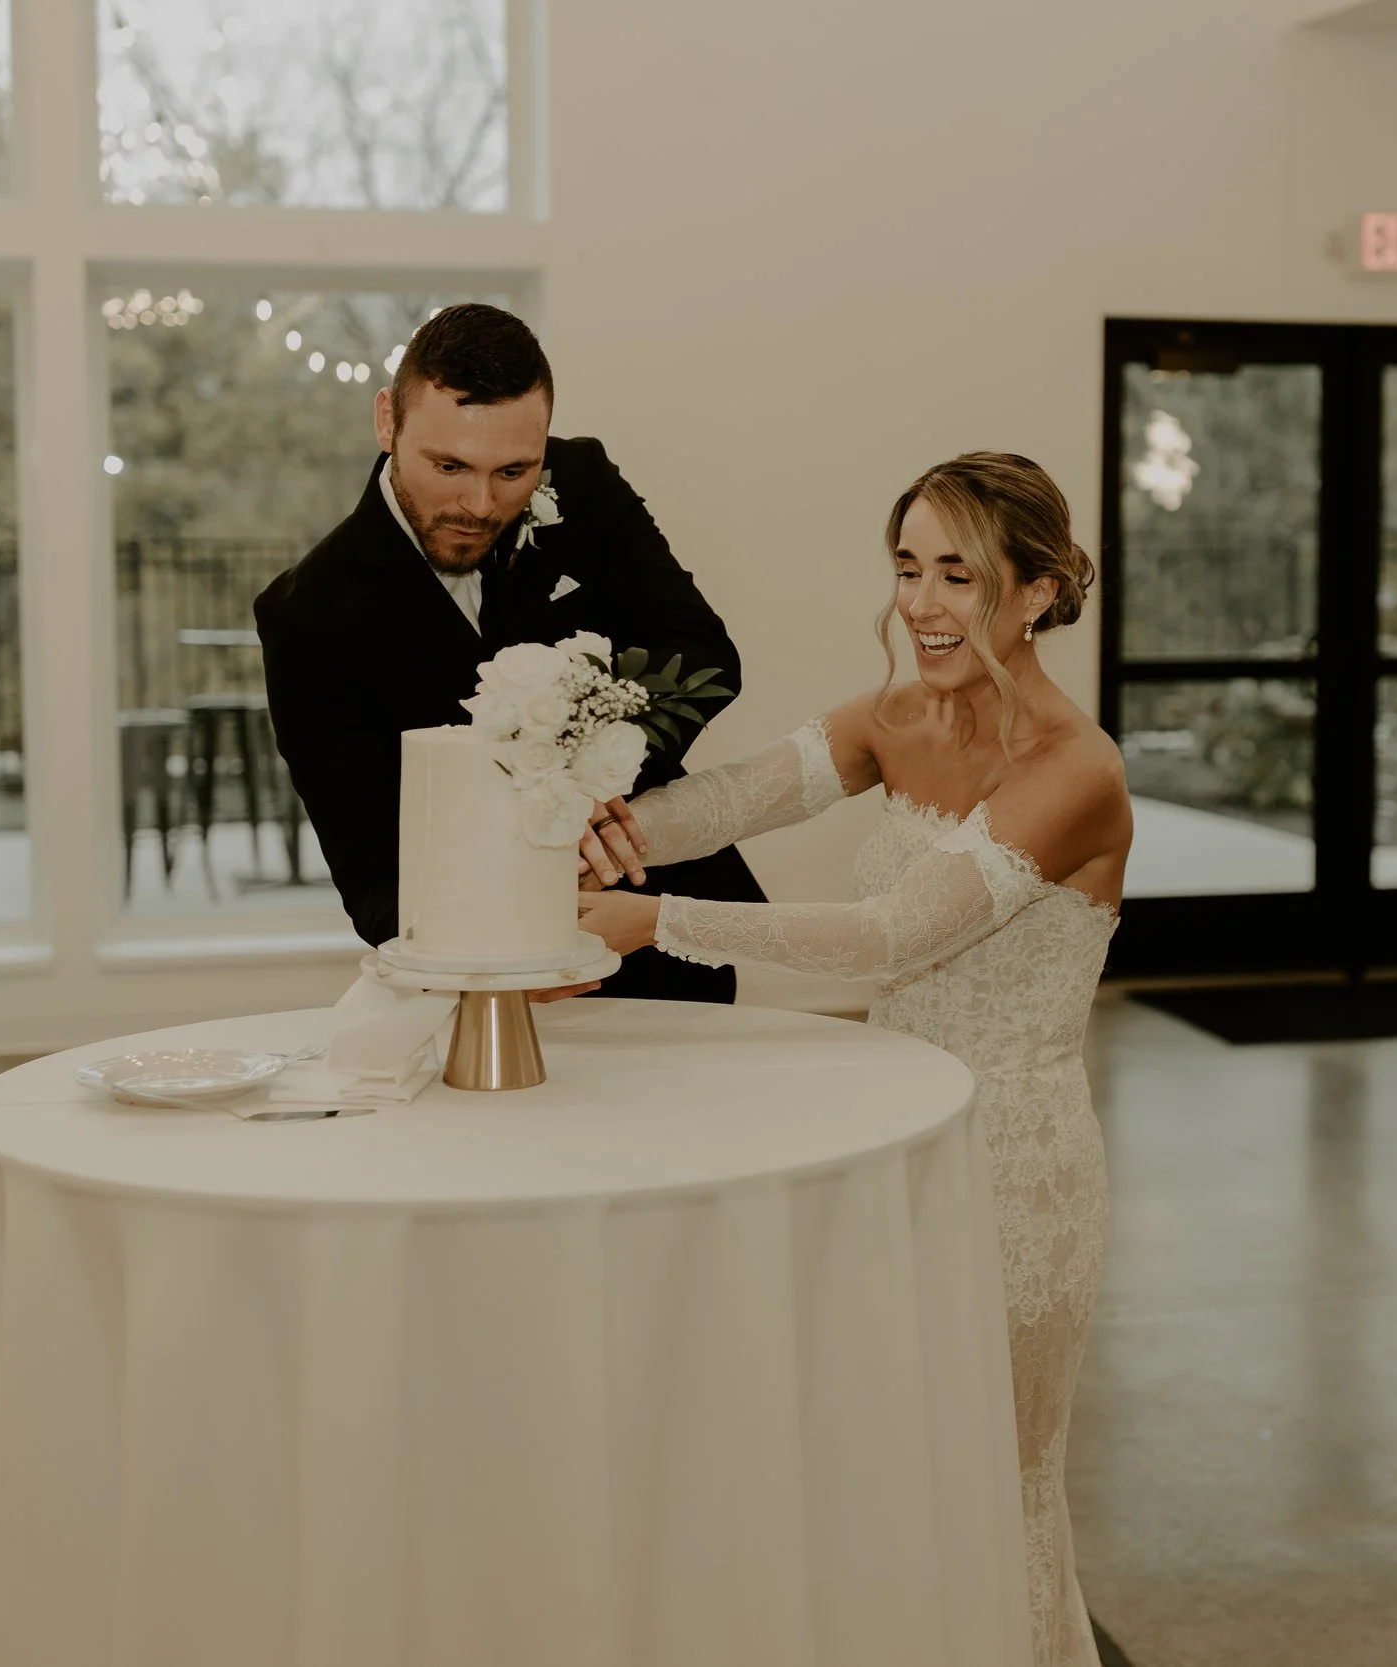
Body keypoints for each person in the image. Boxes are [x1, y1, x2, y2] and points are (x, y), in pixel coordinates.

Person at [576, 452, 1129, 1667]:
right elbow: (731, 800)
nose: (923, 604)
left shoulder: (1074, 771)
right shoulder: (901, 717)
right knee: (887, 1471)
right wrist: (590, 825)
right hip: (899, 1147)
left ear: (1036, 592)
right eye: (907, 568)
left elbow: (892, 933)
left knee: (992, 1478)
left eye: (960, 575)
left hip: (1014, 1171)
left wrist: (651, 918)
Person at [253, 303, 764, 1001]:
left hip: (655, 926)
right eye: (449, 465)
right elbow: (371, 878)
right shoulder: (308, 615)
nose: (481, 503)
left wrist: (595, 774)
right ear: (386, 421)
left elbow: (704, 658)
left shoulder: (582, 483)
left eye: (514, 471)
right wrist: (518, 940)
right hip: (485, 980)